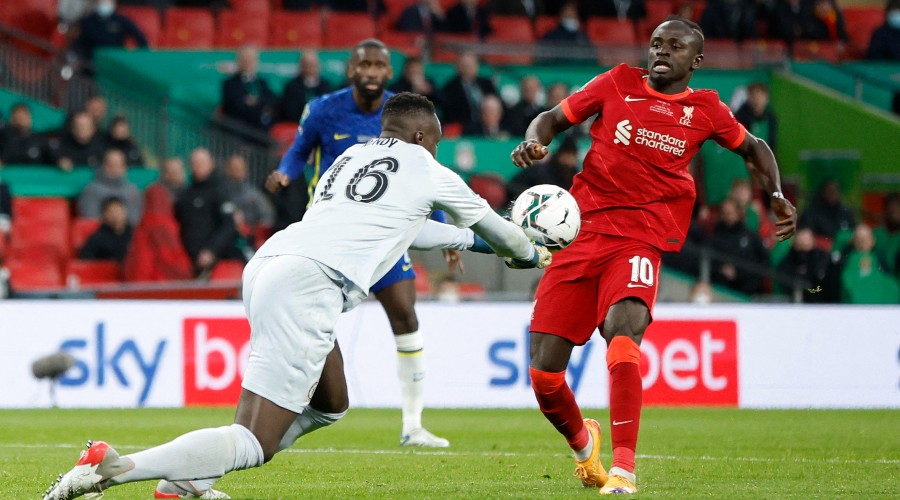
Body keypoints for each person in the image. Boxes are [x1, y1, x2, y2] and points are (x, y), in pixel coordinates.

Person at [42, 92, 552, 500]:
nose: (437, 150)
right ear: (422, 136)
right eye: (436, 141)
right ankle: (116, 467)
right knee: (254, 441)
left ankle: (187, 480)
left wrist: (466, 240)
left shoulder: (352, 157)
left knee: (331, 403)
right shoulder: (427, 168)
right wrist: (530, 254)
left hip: (273, 261)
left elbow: (407, 231)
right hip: (311, 284)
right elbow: (505, 235)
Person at [509, 16, 796, 494]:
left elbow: (755, 147)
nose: (661, 52)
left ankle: (624, 469)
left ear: (696, 61)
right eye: (656, 43)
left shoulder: (706, 110)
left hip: (642, 237)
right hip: (582, 232)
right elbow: (553, 119)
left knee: (624, 335)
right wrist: (534, 140)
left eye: (675, 46)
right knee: (543, 373)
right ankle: (586, 449)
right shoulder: (616, 82)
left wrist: (777, 193)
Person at [265, 39, 456, 449]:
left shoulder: (400, 116)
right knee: (317, 326)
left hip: (386, 236)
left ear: (389, 73)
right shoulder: (322, 110)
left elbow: (426, 175)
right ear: (351, 69)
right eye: (363, 65)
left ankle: (413, 425)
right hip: (333, 239)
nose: (370, 72)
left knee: (406, 315)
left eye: (378, 66)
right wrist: (284, 173)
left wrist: (442, 228)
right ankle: (293, 402)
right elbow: (298, 152)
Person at [175, 148, 243, 277]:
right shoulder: (185, 194)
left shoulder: (221, 191)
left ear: (211, 163)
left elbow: (228, 225)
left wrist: (212, 250)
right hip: (188, 260)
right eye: (194, 163)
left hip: (216, 260)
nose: (197, 167)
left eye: (201, 163)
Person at [707, 198, 770, 295]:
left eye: (730, 213)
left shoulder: (751, 236)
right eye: (724, 213)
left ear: (738, 213)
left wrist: (740, 273)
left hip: (750, 290)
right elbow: (707, 262)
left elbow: (764, 262)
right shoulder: (714, 238)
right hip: (723, 291)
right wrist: (721, 269)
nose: (727, 216)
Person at [71, 0, 147, 69]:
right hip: (91, 62)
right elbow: (79, 44)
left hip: (114, 62)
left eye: (108, 1)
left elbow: (140, 38)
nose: (104, 3)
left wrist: (136, 58)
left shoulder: (121, 21)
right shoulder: (87, 21)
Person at [506, 134, 579, 204]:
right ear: (559, 155)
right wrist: (534, 197)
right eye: (567, 155)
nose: (569, 160)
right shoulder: (539, 171)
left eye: (573, 156)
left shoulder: (574, 178)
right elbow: (512, 185)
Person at [221, 46, 278, 133]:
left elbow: (272, 100)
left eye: (251, 60)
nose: (248, 63)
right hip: (238, 129)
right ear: (238, 62)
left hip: (261, 130)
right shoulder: (230, 84)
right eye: (245, 60)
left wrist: (255, 101)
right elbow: (234, 105)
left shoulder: (262, 82)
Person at [438, 51, 498, 132]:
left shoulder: (487, 83)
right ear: (457, 67)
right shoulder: (450, 88)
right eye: (464, 65)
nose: (467, 68)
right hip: (464, 127)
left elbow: (497, 102)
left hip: (488, 125)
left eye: (470, 65)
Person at [78, 149, 142, 224]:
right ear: (103, 166)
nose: (115, 169)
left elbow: (135, 219)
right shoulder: (91, 190)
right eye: (111, 165)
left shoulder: (132, 191)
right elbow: (89, 219)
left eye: (119, 165)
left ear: (125, 167)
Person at [776, 227, 832, 302]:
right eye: (799, 245)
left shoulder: (822, 259)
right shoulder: (787, 261)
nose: (802, 249)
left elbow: (823, 284)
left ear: (812, 242)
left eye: (805, 245)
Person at [279, 51, 333, 124]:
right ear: (301, 67)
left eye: (313, 65)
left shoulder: (326, 86)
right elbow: (290, 111)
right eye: (307, 65)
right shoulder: (292, 87)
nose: (310, 69)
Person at [78, 196, 133, 262]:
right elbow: (85, 263)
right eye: (111, 212)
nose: (116, 215)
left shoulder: (136, 234)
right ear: (103, 216)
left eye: (119, 210)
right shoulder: (96, 238)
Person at [734, 82, 777, 154]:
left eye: (760, 96)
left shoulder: (771, 118)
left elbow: (772, 144)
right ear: (748, 98)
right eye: (754, 96)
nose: (757, 100)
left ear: (767, 98)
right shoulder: (740, 117)